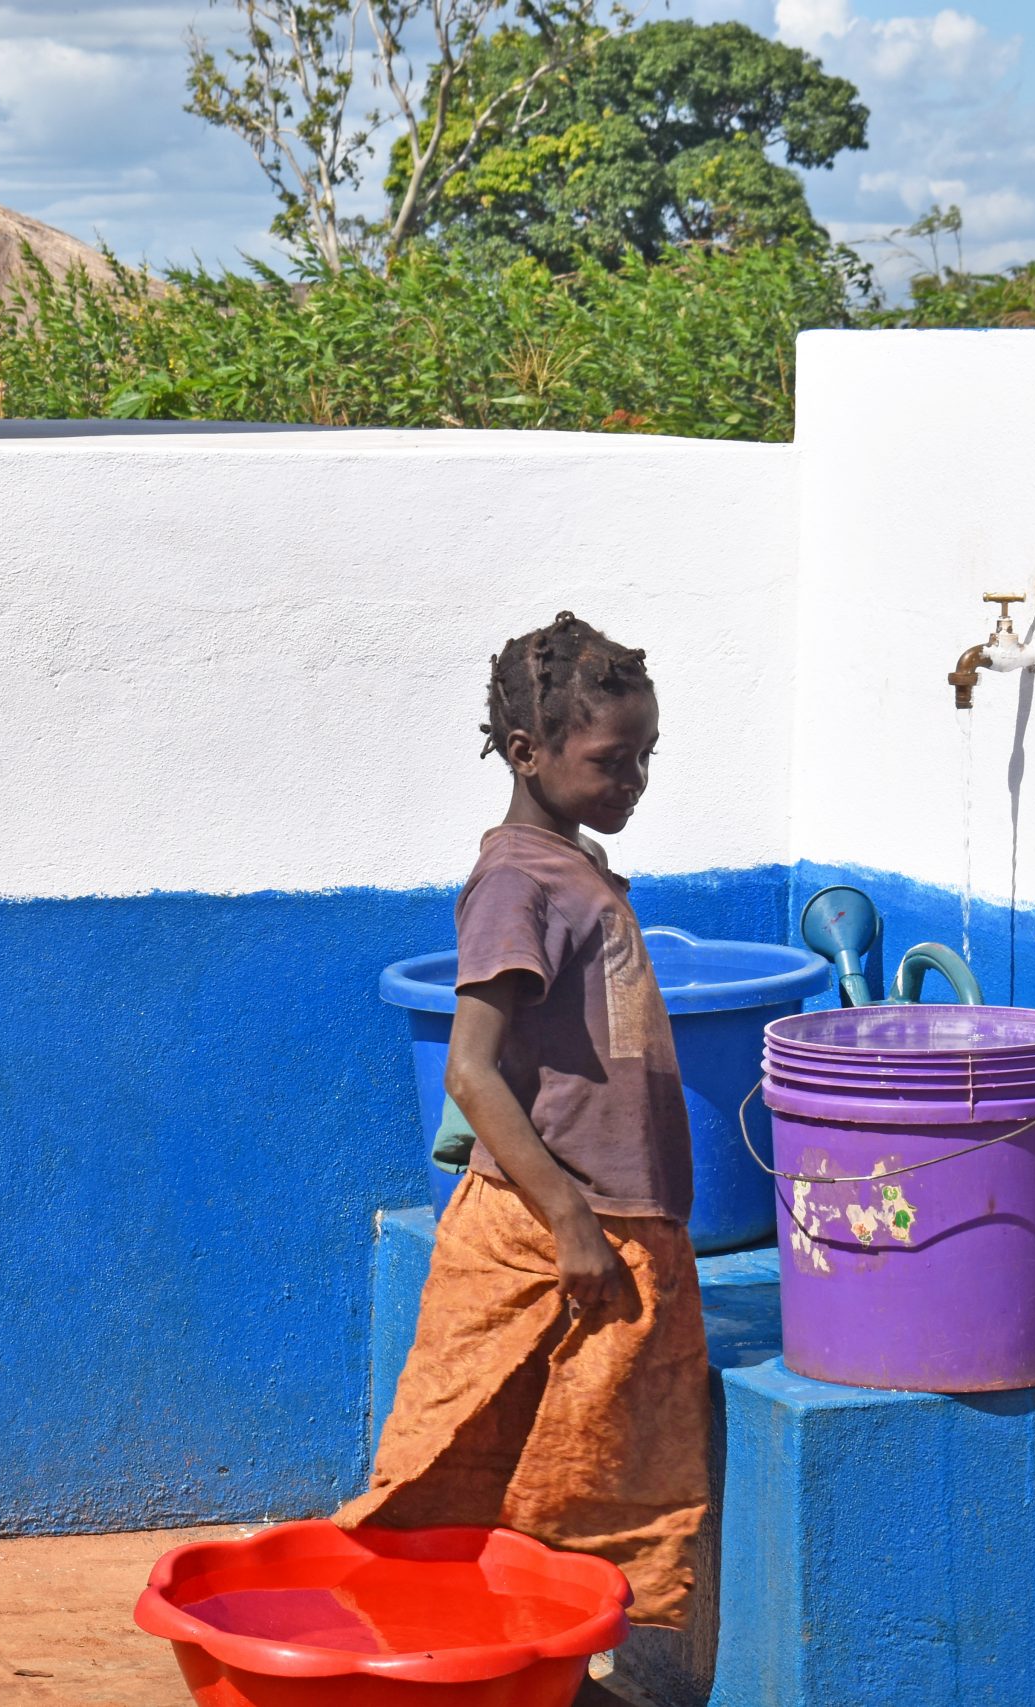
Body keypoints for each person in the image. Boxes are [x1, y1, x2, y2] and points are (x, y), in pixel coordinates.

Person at [338, 611, 709, 1629]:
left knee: (590, 1485)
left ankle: (543, 1665)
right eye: (609, 759)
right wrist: (571, 1221)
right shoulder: (516, 882)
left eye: (646, 757)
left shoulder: (572, 870)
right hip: (550, 1235)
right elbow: (469, 1070)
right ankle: (432, 1659)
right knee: (455, 1467)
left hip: (623, 1235)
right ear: (526, 752)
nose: (632, 779)